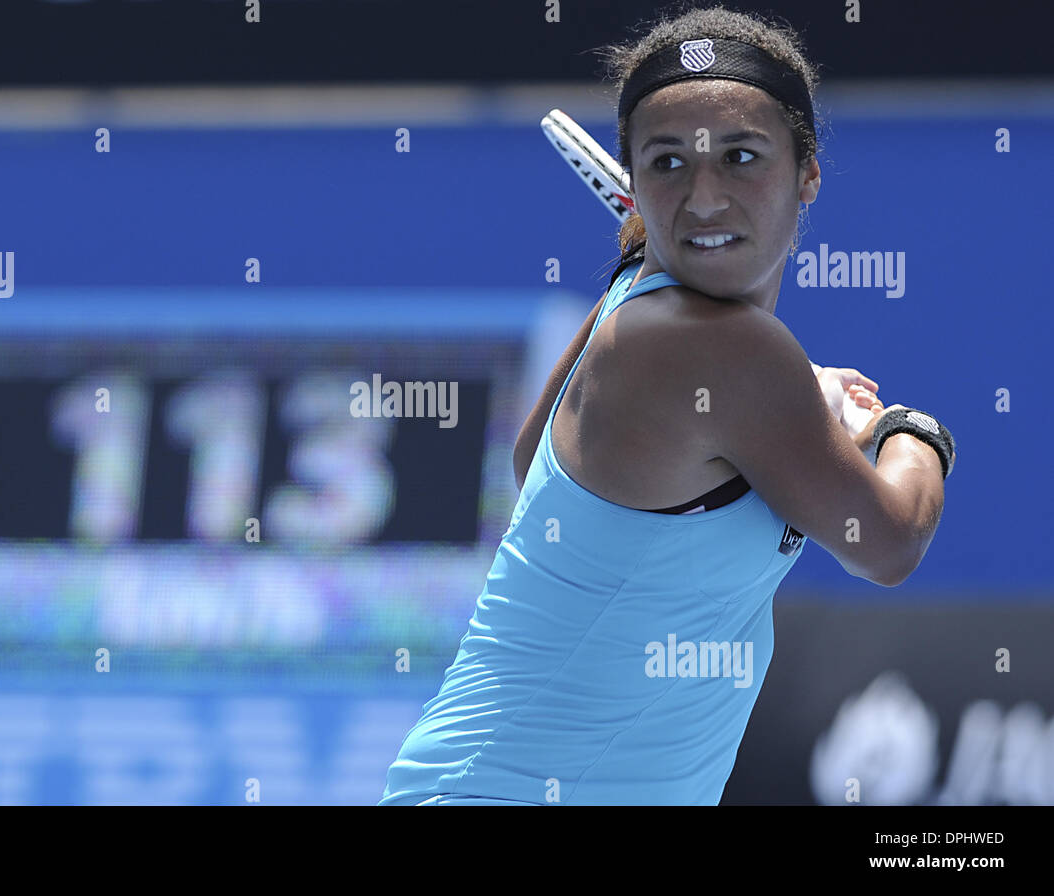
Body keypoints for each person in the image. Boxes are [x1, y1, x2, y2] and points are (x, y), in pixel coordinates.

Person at [378, 4, 956, 806]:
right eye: (669, 163)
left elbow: (531, 461)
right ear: (637, 180)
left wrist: (788, 399)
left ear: (808, 171)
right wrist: (911, 432)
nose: (705, 196)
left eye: (742, 156)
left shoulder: (642, 311)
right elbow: (888, 541)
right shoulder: (720, 348)